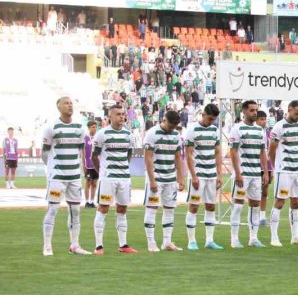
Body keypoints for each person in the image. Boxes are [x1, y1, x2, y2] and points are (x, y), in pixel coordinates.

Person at [40, 98, 91, 256]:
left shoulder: (80, 128)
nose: (70, 105)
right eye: (66, 103)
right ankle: (47, 246)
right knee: (53, 208)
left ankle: (74, 245)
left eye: (71, 103)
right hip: (57, 177)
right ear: (58, 107)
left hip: (75, 177)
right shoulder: (51, 127)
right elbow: (44, 153)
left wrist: (83, 170)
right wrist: (51, 170)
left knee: (75, 210)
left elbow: (82, 152)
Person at [91, 104, 137, 255]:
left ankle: (123, 245)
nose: (122, 117)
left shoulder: (129, 135)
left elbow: (128, 155)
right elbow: (94, 157)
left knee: (122, 209)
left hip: (124, 178)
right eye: (118, 114)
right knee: (103, 208)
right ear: (110, 117)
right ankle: (99, 246)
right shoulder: (102, 134)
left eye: (123, 114)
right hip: (108, 179)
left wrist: (122, 168)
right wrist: (102, 172)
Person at [228, 100, 269, 249]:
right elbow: (232, 152)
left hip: (255, 174)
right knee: (238, 206)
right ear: (244, 111)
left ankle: (253, 238)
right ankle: (234, 239)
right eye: (251, 110)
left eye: (256, 110)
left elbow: (263, 152)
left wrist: (264, 172)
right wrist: (238, 173)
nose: (254, 113)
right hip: (243, 174)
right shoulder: (237, 129)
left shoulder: (260, 131)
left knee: (255, 205)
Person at [143, 110, 185, 252]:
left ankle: (167, 242)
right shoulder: (152, 133)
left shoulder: (176, 135)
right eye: (171, 124)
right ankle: (151, 242)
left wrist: (180, 177)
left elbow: (178, 156)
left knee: (170, 209)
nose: (172, 127)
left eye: (175, 125)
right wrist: (152, 180)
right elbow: (147, 157)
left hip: (170, 178)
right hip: (156, 177)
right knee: (152, 208)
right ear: (164, 120)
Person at [183, 102, 224, 250]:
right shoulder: (192, 129)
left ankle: (209, 240)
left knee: (211, 206)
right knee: (193, 206)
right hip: (198, 175)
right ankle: (191, 241)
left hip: (211, 174)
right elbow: (188, 154)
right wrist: (193, 176)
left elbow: (218, 152)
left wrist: (219, 174)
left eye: (214, 119)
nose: (211, 121)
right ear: (203, 115)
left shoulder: (214, 130)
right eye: (210, 118)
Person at [267, 100, 298, 246]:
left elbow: (297, 146)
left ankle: (295, 236)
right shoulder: (278, 127)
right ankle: (274, 237)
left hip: (296, 169)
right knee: (280, 202)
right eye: (296, 113)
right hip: (283, 170)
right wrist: (275, 167)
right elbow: (271, 149)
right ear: (289, 109)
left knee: (296, 203)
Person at [83, 120, 98, 206]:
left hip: (96, 164)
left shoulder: (98, 137)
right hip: (88, 164)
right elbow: (83, 152)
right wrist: (83, 165)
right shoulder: (85, 138)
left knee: (94, 183)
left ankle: (92, 201)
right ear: (89, 128)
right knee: (88, 182)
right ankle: (86, 201)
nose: (94, 129)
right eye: (93, 127)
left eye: (95, 127)